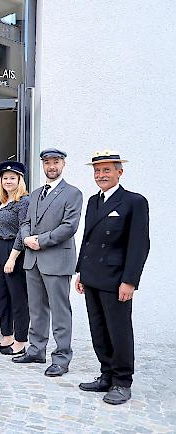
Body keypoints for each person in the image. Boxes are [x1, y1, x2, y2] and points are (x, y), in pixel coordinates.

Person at [75, 150, 150, 405]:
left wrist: (129, 281)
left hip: (116, 279)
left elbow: (139, 245)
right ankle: (106, 374)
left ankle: (122, 381)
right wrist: (81, 273)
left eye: (107, 170)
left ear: (120, 172)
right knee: (98, 329)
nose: (100, 175)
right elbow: (88, 239)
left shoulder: (133, 201)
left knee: (118, 331)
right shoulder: (94, 201)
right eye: (97, 170)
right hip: (93, 276)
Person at [13, 148, 83, 378]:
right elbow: (25, 222)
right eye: (47, 163)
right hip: (33, 261)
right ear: (42, 165)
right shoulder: (34, 194)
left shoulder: (72, 193)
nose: (51, 167)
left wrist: (39, 241)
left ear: (63, 164)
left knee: (60, 311)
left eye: (56, 162)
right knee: (37, 309)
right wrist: (25, 238)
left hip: (56, 259)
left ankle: (62, 357)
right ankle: (36, 349)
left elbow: (69, 226)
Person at [0, 161, 30, 356]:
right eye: (5, 178)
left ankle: (21, 340)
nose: (8, 181)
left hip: (14, 250)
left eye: (12, 178)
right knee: (2, 296)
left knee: (18, 297)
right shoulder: (1, 203)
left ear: (20, 180)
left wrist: (12, 258)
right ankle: (7, 336)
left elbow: (24, 231)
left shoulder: (23, 202)